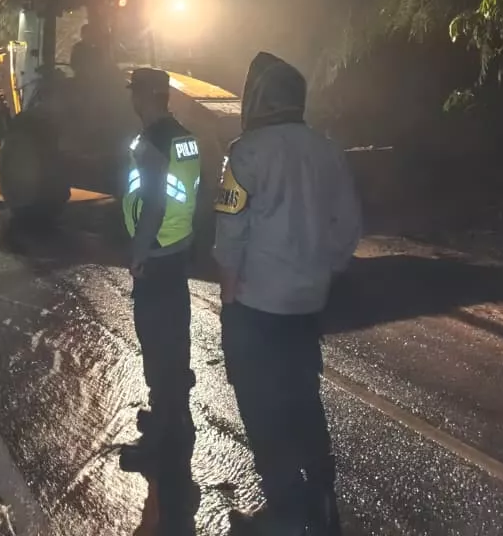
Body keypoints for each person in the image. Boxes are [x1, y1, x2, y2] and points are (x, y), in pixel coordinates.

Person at [214, 52, 362, 536]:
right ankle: (321, 496)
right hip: (308, 301)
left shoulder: (245, 152)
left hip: (256, 304)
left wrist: (229, 296)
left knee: (260, 403)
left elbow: (230, 232)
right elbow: (347, 226)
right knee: (303, 396)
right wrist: (328, 269)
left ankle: (282, 505)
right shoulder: (328, 150)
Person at [119, 68, 200, 482]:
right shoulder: (184, 136)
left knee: (157, 342)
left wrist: (138, 254)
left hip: (155, 252)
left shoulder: (152, 142)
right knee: (176, 337)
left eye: (135, 93)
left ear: (144, 98)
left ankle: (162, 437)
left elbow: (152, 203)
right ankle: (177, 420)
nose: (132, 100)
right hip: (178, 249)